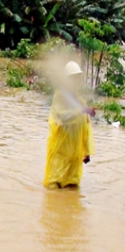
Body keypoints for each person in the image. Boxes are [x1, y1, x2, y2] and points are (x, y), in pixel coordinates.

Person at [44, 61, 95, 189]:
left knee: (72, 188)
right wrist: (81, 110)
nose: (76, 81)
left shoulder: (81, 101)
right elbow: (62, 117)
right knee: (53, 186)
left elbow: (86, 128)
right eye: (73, 78)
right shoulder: (59, 98)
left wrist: (87, 151)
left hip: (75, 156)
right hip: (60, 152)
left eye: (78, 78)